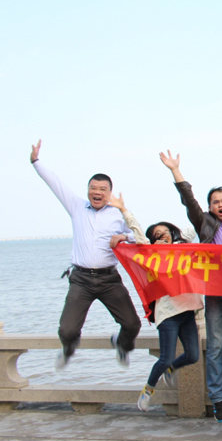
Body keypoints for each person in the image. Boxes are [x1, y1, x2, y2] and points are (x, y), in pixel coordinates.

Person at [159, 150, 222, 422]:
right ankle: (217, 399)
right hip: (216, 297)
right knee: (215, 347)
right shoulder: (205, 223)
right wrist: (175, 170)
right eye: (215, 202)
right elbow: (188, 200)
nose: (220, 205)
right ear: (211, 207)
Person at [30, 140, 142, 371]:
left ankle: (121, 344)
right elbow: (55, 183)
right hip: (81, 279)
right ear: (88, 190)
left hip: (109, 279)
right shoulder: (77, 207)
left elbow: (140, 236)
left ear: (109, 193)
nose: (97, 192)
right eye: (93, 188)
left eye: (102, 189)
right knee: (67, 330)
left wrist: (124, 236)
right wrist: (36, 162)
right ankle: (69, 348)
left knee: (132, 325)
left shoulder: (118, 214)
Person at [106, 194, 202, 412]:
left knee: (193, 355)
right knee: (165, 357)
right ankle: (148, 389)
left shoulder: (183, 247)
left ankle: (171, 370)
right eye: (157, 234)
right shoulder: (150, 255)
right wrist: (123, 210)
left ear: (172, 233)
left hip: (188, 311)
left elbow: (196, 221)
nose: (162, 236)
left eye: (165, 232)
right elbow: (139, 235)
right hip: (168, 314)